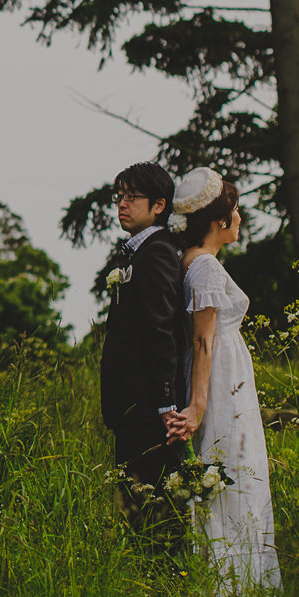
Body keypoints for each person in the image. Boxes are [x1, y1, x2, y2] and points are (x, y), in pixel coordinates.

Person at [163, 168, 281, 593]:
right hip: (220, 378)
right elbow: (204, 341)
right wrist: (197, 406)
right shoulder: (207, 267)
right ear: (218, 220)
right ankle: (237, 585)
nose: (240, 217)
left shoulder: (189, 262)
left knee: (224, 468)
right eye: (235, 210)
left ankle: (224, 576)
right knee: (235, 464)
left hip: (219, 373)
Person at [98, 162, 190, 555]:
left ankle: (165, 585)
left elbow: (161, 332)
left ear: (158, 205)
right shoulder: (139, 255)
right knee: (136, 506)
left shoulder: (157, 254)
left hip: (150, 412)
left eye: (130, 197)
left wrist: (166, 404)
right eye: (119, 196)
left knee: (155, 508)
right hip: (133, 408)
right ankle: (147, 584)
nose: (121, 204)